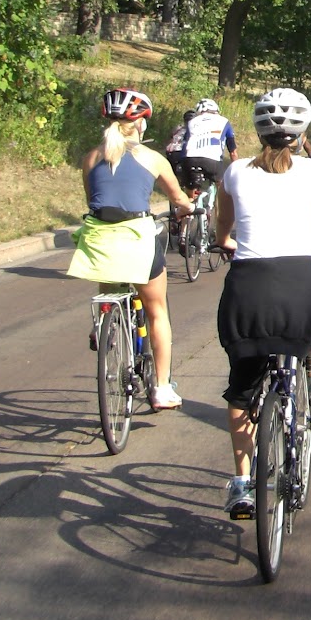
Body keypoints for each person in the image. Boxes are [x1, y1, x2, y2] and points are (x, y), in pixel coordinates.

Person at [212, 87, 311, 518]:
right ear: (303, 132)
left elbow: (221, 232)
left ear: (258, 131)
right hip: (301, 286)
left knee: (241, 393)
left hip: (248, 293)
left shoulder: (235, 173)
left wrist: (225, 243)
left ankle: (243, 483)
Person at [65, 87, 195, 411]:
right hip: (136, 240)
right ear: (141, 123)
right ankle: (162, 388)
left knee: (107, 257)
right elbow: (179, 200)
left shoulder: (91, 158)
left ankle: (103, 323)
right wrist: (186, 207)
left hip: (98, 242)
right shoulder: (151, 158)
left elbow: (95, 202)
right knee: (156, 311)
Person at [171, 97, 237, 195]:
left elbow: (185, 145)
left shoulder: (192, 122)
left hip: (190, 160)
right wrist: (236, 171)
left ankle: (187, 205)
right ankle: (220, 208)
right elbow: (233, 152)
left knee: (189, 193)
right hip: (213, 161)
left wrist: (183, 164)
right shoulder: (224, 121)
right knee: (222, 191)